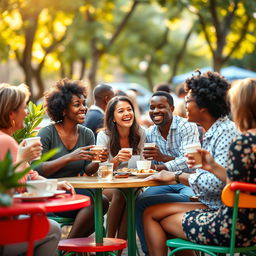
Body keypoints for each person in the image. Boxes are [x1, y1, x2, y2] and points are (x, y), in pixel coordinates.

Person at [143, 77, 256, 256]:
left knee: (158, 218)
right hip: (236, 215)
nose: (184, 105)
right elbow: (232, 179)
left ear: (203, 107)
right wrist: (209, 166)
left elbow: (220, 185)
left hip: (230, 221)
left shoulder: (233, 137)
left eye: (188, 101)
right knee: (150, 210)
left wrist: (176, 176)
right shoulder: (217, 131)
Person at [0, 83, 73, 256]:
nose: (27, 112)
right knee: (52, 229)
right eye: (24, 107)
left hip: (8, 222)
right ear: (11, 114)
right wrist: (23, 159)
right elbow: (7, 191)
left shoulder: (8, 140)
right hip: (4, 230)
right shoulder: (6, 142)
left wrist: (54, 185)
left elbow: (30, 176)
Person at [34, 78, 109, 238]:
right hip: (50, 193)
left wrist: (97, 160)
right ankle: (70, 248)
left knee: (101, 201)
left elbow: (88, 170)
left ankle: (68, 247)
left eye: (84, 103)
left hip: (73, 192)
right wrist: (70, 157)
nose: (84, 108)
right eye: (77, 105)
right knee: (96, 202)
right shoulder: (47, 133)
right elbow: (37, 169)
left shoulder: (87, 133)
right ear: (63, 110)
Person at [135, 91, 200, 255]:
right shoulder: (150, 133)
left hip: (187, 182)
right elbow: (152, 165)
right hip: (164, 184)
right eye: (152, 107)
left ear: (171, 108)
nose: (155, 111)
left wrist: (162, 161)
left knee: (173, 204)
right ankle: (149, 251)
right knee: (141, 201)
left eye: (161, 107)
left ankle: (179, 249)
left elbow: (188, 161)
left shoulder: (187, 126)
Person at [96, 96, 145, 240]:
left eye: (129, 109)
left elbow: (141, 164)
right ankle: (110, 241)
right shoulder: (104, 136)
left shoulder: (140, 133)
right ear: (113, 118)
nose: (127, 114)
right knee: (121, 193)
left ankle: (118, 250)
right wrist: (116, 160)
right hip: (107, 184)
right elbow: (100, 171)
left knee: (131, 194)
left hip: (132, 184)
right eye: (121, 111)